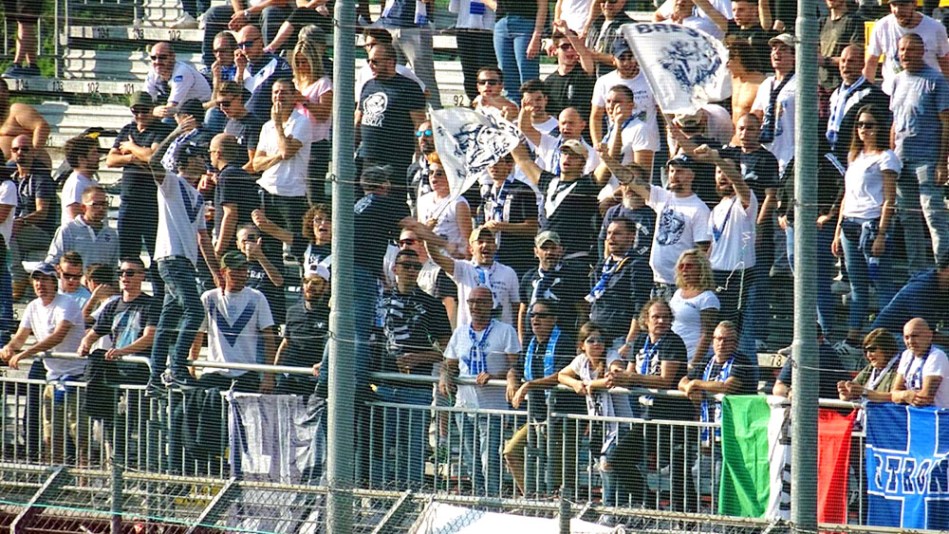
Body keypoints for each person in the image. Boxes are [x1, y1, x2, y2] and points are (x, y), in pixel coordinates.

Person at [146, 141, 219, 397]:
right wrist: (176, 133)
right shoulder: (171, 183)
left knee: (167, 321)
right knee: (194, 310)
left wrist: (216, 273)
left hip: (185, 262)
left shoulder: (197, 196)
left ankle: (155, 378)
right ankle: (176, 368)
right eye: (198, 155)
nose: (203, 159)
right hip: (171, 258)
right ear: (185, 160)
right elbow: (152, 162)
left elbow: (203, 238)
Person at [374, 248, 452, 489]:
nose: (411, 270)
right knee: (379, 449)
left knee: (413, 450)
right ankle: (379, 499)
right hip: (382, 386)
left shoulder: (432, 304)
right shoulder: (379, 301)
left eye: (416, 266)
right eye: (406, 265)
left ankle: (411, 497)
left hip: (416, 388)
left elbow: (448, 349)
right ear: (394, 269)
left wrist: (419, 357)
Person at [611, 298, 693, 511]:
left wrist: (631, 378)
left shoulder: (673, 342)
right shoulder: (640, 341)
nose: (661, 321)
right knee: (619, 459)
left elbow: (665, 380)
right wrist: (618, 375)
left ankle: (688, 517)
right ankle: (650, 504)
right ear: (645, 320)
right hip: (649, 414)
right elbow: (630, 374)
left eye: (666, 317)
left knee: (679, 470)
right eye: (656, 317)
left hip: (674, 415)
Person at [0, 263, 87, 464]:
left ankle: (85, 477)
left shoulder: (67, 303)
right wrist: (9, 347)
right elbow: (20, 337)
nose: (40, 283)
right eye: (36, 279)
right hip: (52, 377)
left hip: (76, 376)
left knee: (79, 435)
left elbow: (57, 336)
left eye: (45, 279)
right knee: (50, 435)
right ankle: (54, 475)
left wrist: (25, 354)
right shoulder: (32, 306)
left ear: (54, 282)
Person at [831, 105, 900, 355]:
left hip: (871, 225)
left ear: (879, 127)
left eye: (869, 125)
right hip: (850, 223)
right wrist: (837, 231)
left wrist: (882, 233)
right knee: (857, 286)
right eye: (860, 124)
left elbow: (889, 199)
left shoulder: (886, 157)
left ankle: (886, 337)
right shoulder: (855, 155)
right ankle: (853, 338)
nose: (863, 129)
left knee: (882, 284)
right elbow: (846, 196)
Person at [441, 286, 521, 497]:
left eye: (482, 302)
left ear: (491, 304)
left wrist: (495, 376)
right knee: (471, 459)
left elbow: (516, 366)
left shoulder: (505, 331)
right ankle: (478, 498)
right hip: (464, 405)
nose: (476, 306)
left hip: (492, 408)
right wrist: (444, 376)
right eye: (472, 302)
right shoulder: (460, 332)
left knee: (489, 460)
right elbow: (449, 364)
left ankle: (492, 499)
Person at [598, 149, 712, 294]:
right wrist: (606, 158)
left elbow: (702, 252)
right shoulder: (662, 196)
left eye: (679, 171)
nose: (673, 176)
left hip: (679, 285)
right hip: (656, 282)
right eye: (671, 171)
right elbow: (629, 179)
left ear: (692, 175)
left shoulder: (700, 209)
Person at [506, 299, 579, 495]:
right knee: (511, 452)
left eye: (542, 315)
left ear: (553, 319)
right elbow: (516, 367)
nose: (535, 319)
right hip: (537, 415)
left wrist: (529, 385)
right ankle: (533, 498)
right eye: (532, 315)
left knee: (559, 475)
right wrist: (512, 380)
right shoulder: (530, 341)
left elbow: (560, 375)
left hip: (562, 417)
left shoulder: (564, 341)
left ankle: (561, 508)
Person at [889, 33, 949, 275]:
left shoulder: (936, 80)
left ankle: (943, 271)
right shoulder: (897, 80)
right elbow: (895, 122)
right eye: (902, 49)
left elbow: (946, 122)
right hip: (901, 160)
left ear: (922, 51)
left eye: (911, 49)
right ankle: (917, 275)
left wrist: (942, 163)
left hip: (928, 159)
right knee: (908, 219)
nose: (905, 54)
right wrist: (892, 156)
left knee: (933, 216)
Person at [558, 322, 633, 507]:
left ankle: (611, 508)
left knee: (608, 464)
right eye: (591, 340)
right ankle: (618, 507)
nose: (597, 344)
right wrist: (575, 383)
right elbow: (561, 375)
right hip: (599, 426)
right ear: (582, 345)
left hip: (620, 425)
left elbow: (614, 376)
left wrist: (591, 384)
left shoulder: (611, 356)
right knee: (605, 467)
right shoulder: (581, 360)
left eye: (600, 340)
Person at [190, 251, 277, 394]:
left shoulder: (257, 297)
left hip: (246, 372)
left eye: (244, 270)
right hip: (214, 370)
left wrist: (268, 376)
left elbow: (269, 337)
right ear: (223, 272)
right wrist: (192, 366)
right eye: (236, 270)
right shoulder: (209, 297)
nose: (241, 275)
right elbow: (198, 334)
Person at [107, 92, 173, 267]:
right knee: (127, 255)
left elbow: (152, 157)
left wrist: (130, 146)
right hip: (129, 200)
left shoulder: (161, 130)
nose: (140, 115)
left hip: (151, 201)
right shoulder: (127, 129)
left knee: (156, 255)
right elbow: (111, 160)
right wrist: (133, 157)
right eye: (136, 111)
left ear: (152, 109)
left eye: (144, 110)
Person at [694, 145, 757, 329]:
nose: (722, 175)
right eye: (718, 172)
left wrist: (717, 159)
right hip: (715, 273)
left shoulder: (745, 201)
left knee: (731, 324)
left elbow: (738, 182)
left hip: (736, 274)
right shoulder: (716, 209)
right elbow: (713, 245)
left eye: (726, 171)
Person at [253, 78, 312, 265]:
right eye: (276, 92)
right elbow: (257, 164)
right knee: (270, 248)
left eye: (284, 92)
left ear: (294, 96)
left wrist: (279, 125)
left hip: (291, 194)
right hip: (267, 190)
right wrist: (278, 156)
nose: (279, 96)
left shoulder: (302, 122)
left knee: (299, 247)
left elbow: (287, 151)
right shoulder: (266, 126)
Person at [512, 138, 602, 261]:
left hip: (573, 259)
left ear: (582, 162)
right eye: (564, 153)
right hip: (546, 259)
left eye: (574, 156)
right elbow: (523, 160)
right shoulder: (550, 182)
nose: (567, 158)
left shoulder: (586, 185)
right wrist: (507, 135)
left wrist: (606, 154)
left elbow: (606, 168)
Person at [416, 224, 520, 327]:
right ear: (471, 249)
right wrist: (427, 236)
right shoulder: (462, 268)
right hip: (469, 334)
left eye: (490, 241)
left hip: (500, 333)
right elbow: (437, 257)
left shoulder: (508, 272)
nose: (485, 245)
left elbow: (516, 306)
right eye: (480, 242)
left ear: (495, 247)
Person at [357, 41, 427, 183]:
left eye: (375, 61)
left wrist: (418, 156)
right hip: (368, 157)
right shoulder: (368, 85)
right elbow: (358, 118)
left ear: (390, 62)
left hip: (395, 159)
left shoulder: (409, 88)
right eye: (368, 61)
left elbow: (419, 124)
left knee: (392, 195)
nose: (370, 65)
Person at [864, 0, 949, 96]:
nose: (898, 10)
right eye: (894, 5)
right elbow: (871, 63)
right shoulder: (882, 27)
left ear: (914, 4)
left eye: (903, 5)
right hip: (891, 95)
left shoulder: (935, 28)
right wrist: (867, 95)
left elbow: (945, 63)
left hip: (926, 95)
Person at [517, 230, 589, 343]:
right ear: (536, 251)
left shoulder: (571, 276)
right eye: (544, 248)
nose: (549, 252)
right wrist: (522, 340)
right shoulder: (528, 277)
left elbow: (582, 311)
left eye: (553, 248)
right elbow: (523, 311)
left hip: (562, 339)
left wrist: (578, 342)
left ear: (561, 250)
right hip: (532, 340)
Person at [10, 133, 58, 301]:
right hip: (19, 230)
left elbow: (42, 212)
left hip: (41, 232)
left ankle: (18, 278)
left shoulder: (41, 177)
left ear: (33, 152)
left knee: (5, 234)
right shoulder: (12, 177)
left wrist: (21, 222)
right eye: (15, 149)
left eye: (25, 149)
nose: (20, 152)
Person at [588, 218, 652, 343]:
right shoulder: (601, 266)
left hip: (620, 338)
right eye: (609, 233)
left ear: (631, 236)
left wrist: (629, 343)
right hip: (596, 338)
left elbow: (640, 307)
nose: (611, 237)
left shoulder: (637, 265)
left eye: (617, 233)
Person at [825, 45, 890, 164]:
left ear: (861, 64)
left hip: (856, 158)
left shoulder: (874, 96)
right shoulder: (835, 94)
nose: (845, 65)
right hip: (830, 157)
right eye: (843, 61)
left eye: (851, 61)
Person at [478, 152, 539, 277]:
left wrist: (500, 226)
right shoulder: (488, 194)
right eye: (489, 163)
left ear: (509, 165)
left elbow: (532, 228)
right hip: (492, 256)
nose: (493, 166)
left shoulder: (522, 189)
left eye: (498, 162)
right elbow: (480, 225)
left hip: (517, 257)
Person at [291, 28, 333, 205]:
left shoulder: (324, 83)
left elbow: (324, 114)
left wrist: (304, 100)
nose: (301, 66)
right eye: (298, 62)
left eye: (305, 61)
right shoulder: (295, 82)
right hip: (296, 141)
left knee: (313, 192)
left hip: (316, 143)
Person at [275, 262, 330, 395]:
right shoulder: (292, 311)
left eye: (315, 283)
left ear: (326, 287)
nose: (309, 286)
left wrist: (324, 363)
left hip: (315, 378)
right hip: (290, 375)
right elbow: (286, 343)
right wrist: (273, 372)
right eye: (306, 281)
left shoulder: (330, 314)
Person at [590, 39, 657, 148]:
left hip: (646, 145)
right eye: (622, 58)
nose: (627, 63)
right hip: (616, 146)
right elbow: (596, 117)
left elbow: (664, 115)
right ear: (613, 60)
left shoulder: (651, 79)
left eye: (631, 57)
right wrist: (597, 145)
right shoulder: (604, 82)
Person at [871, 255, 949, 347]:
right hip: (885, 338)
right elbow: (925, 333)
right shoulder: (921, 289)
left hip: (912, 335)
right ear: (945, 269)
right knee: (938, 350)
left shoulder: (943, 288)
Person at [377, 0, 442, 110]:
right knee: (387, 73)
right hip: (389, 24)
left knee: (424, 77)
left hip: (415, 27)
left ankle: (435, 115)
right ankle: (388, 113)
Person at [200, 0, 293, 72]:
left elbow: (281, 1)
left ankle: (269, 63)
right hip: (247, 10)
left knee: (269, 12)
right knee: (212, 14)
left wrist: (247, 13)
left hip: (275, 9)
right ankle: (209, 68)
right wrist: (239, 15)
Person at [752, 33, 796, 177]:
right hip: (767, 153)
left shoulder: (800, 83)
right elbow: (756, 116)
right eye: (774, 48)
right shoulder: (766, 84)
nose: (776, 52)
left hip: (790, 153)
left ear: (795, 56)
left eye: (783, 49)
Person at [210, 133, 260, 256]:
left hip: (233, 247)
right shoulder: (241, 173)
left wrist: (218, 250)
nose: (209, 156)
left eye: (210, 152)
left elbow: (231, 214)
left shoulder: (227, 175)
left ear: (218, 154)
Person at [45, 185, 119, 268]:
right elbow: (53, 262)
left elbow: (113, 268)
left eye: (104, 204)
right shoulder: (68, 230)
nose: (101, 208)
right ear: (83, 207)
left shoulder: (111, 234)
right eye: (95, 205)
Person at [415, 154, 473, 259]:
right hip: (429, 260)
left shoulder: (458, 203)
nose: (433, 177)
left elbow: (468, 240)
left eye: (439, 173)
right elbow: (418, 235)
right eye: (431, 173)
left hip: (453, 260)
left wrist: (466, 262)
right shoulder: (423, 200)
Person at [669, 249, 720, 366]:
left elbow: (707, 334)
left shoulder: (707, 298)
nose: (684, 270)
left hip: (692, 356)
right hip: (673, 355)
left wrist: (693, 363)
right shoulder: (678, 293)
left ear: (701, 269)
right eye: (681, 266)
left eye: (689, 266)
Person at [772, 322, 848, 399]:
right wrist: (789, 392)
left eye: (809, 339)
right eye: (803, 339)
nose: (805, 344)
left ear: (821, 338)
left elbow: (809, 392)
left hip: (828, 404)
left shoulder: (826, 354)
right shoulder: (797, 354)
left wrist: (796, 395)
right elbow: (778, 387)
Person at [235, 25, 294, 121]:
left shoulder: (277, 64)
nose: (245, 49)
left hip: (266, 121)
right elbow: (233, 97)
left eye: (249, 44)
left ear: (260, 41)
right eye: (241, 45)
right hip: (242, 122)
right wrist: (240, 71)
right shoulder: (240, 65)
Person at [493, 0, 547, 103]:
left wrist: (536, 36)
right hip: (501, 23)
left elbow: (543, 5)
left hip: (526, 22)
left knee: (527, 73)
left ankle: (532, 107)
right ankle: (514, 109)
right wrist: (497, 7)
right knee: (506, 73)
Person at [143, 42, 213, 120]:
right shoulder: (153, 72)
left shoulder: (182, 72)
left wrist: (152, 111)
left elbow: (170, 108)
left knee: (167, 119)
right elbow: (144, 101)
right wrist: (152, 110)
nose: (157, 62)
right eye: (153, 58)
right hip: (180, 109)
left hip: (200, 109)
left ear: (173, 57)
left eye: (162, 57)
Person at [890, 318, 949, 408]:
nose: (910, 341)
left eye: (915, 336)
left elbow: (925, 398)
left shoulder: (937, 356)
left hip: (937, 414)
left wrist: (901, 395)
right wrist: (905, 395)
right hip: (914, 413)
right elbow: (894, 393)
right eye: (906, 337)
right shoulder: (906, 355)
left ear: (929, 336)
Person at [235, 224, 285, 327]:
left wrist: (259, 256)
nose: (248, 244)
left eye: (251, 239)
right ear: (238, 244)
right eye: (244, 241)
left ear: (259, 241)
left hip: (267, 315)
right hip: (242, 314)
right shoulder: (235, 263)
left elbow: (278, 282)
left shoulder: (271, 259)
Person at [447, 0, 497, 104]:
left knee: (487, 69)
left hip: (488, 30)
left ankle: (490, 102)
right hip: (465, 29)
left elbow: (499, 8)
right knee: (469, 71)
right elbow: (454, 8)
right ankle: (474, 101)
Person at [837, 327, 901, 402]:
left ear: (887, 349)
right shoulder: (870, 367)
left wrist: (864, 392)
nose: (868, 355)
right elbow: (852, 391)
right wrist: (846, 392)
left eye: (872, 349)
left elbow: (893, 397)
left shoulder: (900, 368)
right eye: (866, 351)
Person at [544, 28, 596, 119]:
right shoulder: (549, 81)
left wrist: (566, 32)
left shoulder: (584, 72)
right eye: (565, 47)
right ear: (555, 50)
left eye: (573, 46)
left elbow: (584, 54)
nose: (570, 50)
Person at [0, 81, 51, 166]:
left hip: (27, 164)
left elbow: (43, 127)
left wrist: (32, 155)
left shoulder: (16, 109)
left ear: (6, 93)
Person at [585, 0, 636, 78]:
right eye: (603, 0)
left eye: (612, 1)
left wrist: (593, 55)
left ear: (623, 2)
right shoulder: (595, 24)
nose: (607, 4)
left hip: (616, 81)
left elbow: (628, 62)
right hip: (591, 81)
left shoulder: (629, 27)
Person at [60, 134, 100, 227]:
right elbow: (75, 219)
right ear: (81, 159)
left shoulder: (91, 182)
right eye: (93, 153)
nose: (98, 156)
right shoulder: (76, 184)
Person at [406, 120, 437, 213]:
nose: (422, 138)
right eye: (419, 134)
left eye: (428, 133)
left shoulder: (448, 167)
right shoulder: (413, 169)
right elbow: (413, 199)